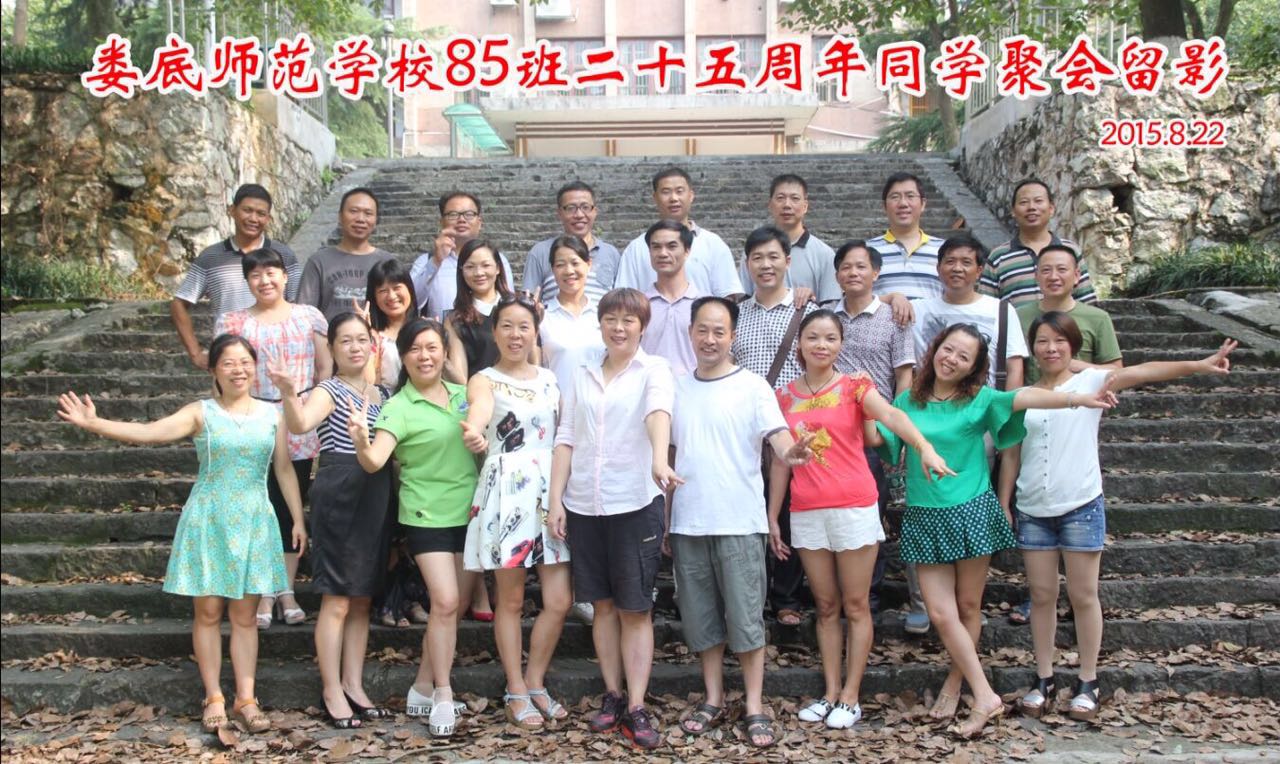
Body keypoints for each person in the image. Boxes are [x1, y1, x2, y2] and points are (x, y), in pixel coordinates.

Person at [868, 323, 1114, 739]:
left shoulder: (980, 399)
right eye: (948, 349)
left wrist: (1075, 398)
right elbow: (880, 437)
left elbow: (1024, 397)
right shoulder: (907, 400)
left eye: (964, 357)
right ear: (935, 348)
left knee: (968, 608)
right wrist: (859, 401)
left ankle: (956, 684)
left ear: (974, 368)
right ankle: (985, 694)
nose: (952, 359)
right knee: (940, 613)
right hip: (924, 515)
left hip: (971, 510)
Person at [57, 334, 305, 734]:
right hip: (208, 520)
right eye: (229, 363)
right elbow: (150, 432)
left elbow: (284, 469)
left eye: (245, 362)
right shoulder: (201, 413)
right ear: (214, 370)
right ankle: (214, 697)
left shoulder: (271, 414)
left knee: (245, 617)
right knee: (208, 613)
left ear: (255, 367)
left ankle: (246, 698)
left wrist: (297, 517)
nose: (238, 370)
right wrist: (95, 423)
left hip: (255, 520)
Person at [1005, 314, 1237, 722]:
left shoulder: (1092, 381)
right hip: (1033, 508)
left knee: (1083, 596)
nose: (1051, 348)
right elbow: (1011, 454)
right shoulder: (1021, 394)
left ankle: (1088, 681)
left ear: (1073, 346)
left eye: (1060, 340)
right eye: (1042, 341)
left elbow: (1146, 371)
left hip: (1080, 505)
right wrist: (1005, 502)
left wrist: (1200, 365)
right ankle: (1043, 679)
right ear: (1032, 348)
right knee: (1041, 595)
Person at [769, 310, 951, 731]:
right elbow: (780, 462)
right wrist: (772, 516)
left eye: (830, 338)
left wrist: (923, 447)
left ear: (840, 344)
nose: (821, 345)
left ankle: (851, 696)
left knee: (855, 604)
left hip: (853, 506)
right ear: (799, 344)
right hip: (806, 509)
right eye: (813, 337)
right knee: (825, 606)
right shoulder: (783, 397)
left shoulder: (855, 386)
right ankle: (830, 691)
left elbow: (892, 417)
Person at [670, 296, 817, 748]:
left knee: (746, 617)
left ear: (733, 336)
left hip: (739, 520)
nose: (710, 339)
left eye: (719, 331)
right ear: (690, 333)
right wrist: (666, 514)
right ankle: (713, 697)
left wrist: (792, 450)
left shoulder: (753, 387)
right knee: (701, 619)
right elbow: (670, 452)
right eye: (702, 330)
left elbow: (778, 437)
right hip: (689, 521)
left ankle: (754, 704)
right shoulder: (676, 388)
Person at [547, 288, 678, 750]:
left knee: (635, 608)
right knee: (601, 605)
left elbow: (657, 413)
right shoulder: (581, 373)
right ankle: (613, 694)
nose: (619, 328)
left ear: (642, 326)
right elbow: (566, 436)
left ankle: (637, 705)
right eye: (611, 319)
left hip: (634, 502)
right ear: (599, 324)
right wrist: (556, 500)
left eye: (629, 320)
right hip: (585, 503)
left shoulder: (654, 370)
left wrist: (659, 460)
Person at [349, 318, 483, 737]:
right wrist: (361, 440)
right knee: (445, 600)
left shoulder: (465, 396)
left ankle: (421, 687)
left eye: (432, 348)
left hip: (470, 512)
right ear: (403, 357)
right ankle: (442, 694)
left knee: (455, 606)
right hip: (426, 514)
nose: (424, 356)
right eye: (414, 349)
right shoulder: (398, 407)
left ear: (444, 352)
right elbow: (375, 461)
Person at [269, 313, 395, 728]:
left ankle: (353, 684)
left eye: (362, 339)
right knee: (338, 597)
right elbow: (301, 423)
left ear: (372, 346)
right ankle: (331, 689)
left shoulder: (384, 393)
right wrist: (289, 393)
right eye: (345, 341)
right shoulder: (329, 389)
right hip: (340, 488)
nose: (355, 347)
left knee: (362, 598)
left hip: (377, 492)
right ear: (333, 348)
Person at [461, 298, 573, 731]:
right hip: (507, 488)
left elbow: (563, 433)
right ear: (494, 332)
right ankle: (515, 688)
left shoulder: (550, 379)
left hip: (550, 490)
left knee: (559, 600)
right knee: (509, 599)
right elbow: (479, 413)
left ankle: (535, 680)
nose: (515, 334)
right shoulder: (483, 379)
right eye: (506, 325)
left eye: (523, 326)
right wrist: (475, 432)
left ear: (535, 332)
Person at [214, 248, 329, 630]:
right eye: (256, 274)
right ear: (247, 281)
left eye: (271, 272)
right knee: (261, 507)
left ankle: (286, 589)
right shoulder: (233, 322)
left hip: (301, 418)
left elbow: (325, 366)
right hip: (253, 419)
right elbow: (222, 375)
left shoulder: (308, 316)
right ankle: (263, 589)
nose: (265, 280)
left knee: (290, 507)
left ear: (284, 276)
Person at [731, 225, 818, 628]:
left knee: (787, 513)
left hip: (793, 430)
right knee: (749, 512)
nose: (765, 265)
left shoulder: (807, 313)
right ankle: (752, 595)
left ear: (788, 260)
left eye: (773, 257)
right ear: (746, 264)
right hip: (747, 432)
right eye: (757, 258)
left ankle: (787, 597)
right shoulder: (736, 314)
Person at [831, 240, 919, 627]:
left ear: (876, 272)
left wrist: (896, 433)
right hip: (832, 433)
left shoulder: (894, 318)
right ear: (837, 274)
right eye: (846, 267)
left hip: (874, 434)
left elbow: (904, 377)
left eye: (861, 266)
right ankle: (834, 592)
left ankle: (868, 593)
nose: (853, 273)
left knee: (870, 514)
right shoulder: (825, 316)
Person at [536, 235, 607, 627]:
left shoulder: (604, 313)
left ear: (588, 266)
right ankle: (576, 588)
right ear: (552, 270)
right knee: (564, 498)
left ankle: (596, 587)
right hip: (557, 421)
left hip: (601, 418)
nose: (569, 270)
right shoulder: (542, 317)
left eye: (576, 262)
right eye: (561, 264)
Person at [171, 184, 301, 369]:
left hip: (276, 358)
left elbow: (298, 306)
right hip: (229, 360)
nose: (253, 218)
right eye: (247, 210)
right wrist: (196, 353)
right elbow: (179, 303)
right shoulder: (210, 257)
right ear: (232, 210)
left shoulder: (284, 255)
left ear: (268, 218)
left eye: (261, 213)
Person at [912, 234, 1027, 389]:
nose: (957, 268)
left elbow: (1014, 367)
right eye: (950, 261)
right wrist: (893, 297)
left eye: (966, 262)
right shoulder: (917, 309)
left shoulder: (1002, 310)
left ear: (979, 271)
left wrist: (1008, 404)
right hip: (928, 401)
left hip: (985, 401)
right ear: (938, 269)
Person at [614, 167, 744, 299]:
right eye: (666, 192)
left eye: (679, 191)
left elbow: (728, 295)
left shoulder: (713, 244)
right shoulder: (636, 248)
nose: (673, 198)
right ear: (655, 197)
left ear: (691, 195)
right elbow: (625, 298)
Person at [980, 178, 1099, 308]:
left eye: (1038, 201)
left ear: (1051, 208)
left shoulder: (1070, 250)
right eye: (1024, 202)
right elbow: (986, 308)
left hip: (1065, 322)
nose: (1031, 207)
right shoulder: (998, 257)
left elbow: (1087, 303)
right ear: (1013, 211)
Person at [1016, 245, 1123, 384]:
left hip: (1082, 396)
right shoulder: (1017, 316)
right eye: (1046, 270)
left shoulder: (1098, 318)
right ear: (1036, 276)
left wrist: (1080, 367)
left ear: (1077, 275)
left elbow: (1116, 370)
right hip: (1033, 396)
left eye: (1062, 269)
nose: (1053, 277)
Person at [410, 192, 516, 319]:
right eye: (453, 214)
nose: (461, 220)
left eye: (469, 214)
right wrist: (435, 261)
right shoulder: (425, 262)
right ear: (441, 222)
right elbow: (410, 302)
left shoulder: (498, 260)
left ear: (479, 222)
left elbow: (508, 302)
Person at [297, 188, 396, 321]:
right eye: (354, 211)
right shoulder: (319, 261)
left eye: (368, 213)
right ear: (340, 216)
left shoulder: (387, 261)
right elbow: (304, 313)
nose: (360, 219)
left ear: (376, 219)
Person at [738, 174, 840, 303]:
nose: (787, 205)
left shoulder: (824, 254)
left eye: (795, 198)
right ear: (770, 205)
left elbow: (830, 304)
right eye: (780, 198)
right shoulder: (755, 251)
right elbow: (743, 298)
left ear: (805, 206)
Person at [523, 181, 621, 302]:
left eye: (585, 207)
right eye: (571, 208)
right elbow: (529, 300)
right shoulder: (541, 252)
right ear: (559, 213)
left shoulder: (611, 253)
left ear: (595, 211)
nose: (579, 215)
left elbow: (620, 301)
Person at [867, 172, 944, 323]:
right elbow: (853, 299)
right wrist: (890, 298)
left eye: (910, 196)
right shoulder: (865, 251)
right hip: (880, 335)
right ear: (884, 206)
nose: (903, 203)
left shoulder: (944, 251)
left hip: (934, 336)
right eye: (895, 197)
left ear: (923, 204)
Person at [443, 239, 519, 385]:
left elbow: (534, 360)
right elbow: (461, 380)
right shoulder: (455, 320)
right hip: (479, 394)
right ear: (461, 271)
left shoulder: (517, 307)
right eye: (470, 267)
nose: (478, 273)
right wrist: (442, 359)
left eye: (486, 265)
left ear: (498, 268)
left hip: (521, 393)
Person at [640, 220, 703, 376]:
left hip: (694, 388)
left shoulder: (704, 305)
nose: (663, 253)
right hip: (648, 388)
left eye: (672, 246)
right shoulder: (638, 305)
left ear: (687, 251)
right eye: (656, 247)